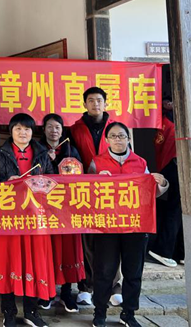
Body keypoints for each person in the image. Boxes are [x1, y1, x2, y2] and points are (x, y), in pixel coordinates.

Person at [88, 122, 169, 327]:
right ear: (107, 140)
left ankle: (129, 313)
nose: (118, 140)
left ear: (128, 138)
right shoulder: (97, 163)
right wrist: (96, 181)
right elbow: (86, 195)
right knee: (104, 271)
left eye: (121, 136)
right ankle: (100, 312)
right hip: (107, 226)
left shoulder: (140, 162)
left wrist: (161, 184)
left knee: (133, 272)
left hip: (135, 225)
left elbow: (150, 193)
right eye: (113, 136)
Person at [0, 113, 55, 327]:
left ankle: (31, 311)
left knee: (34, 264)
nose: (22, 133)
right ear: (11, 131)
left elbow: (53, 180)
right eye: (18, 129)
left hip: (36, 218)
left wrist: (40, 182)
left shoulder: (42, 154)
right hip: (8, 219)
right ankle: (8, 311)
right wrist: (7, 181)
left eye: (26, 129)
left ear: (32, 132)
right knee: (8, 263)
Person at [69, 86, 117, 306]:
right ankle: (86, 286)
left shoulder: (115, 128)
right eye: (91, 100)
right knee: (87, 240)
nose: (95, 104)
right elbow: (69, 158)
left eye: (99, 100)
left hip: (111, 191)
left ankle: (114, 286)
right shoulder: (74, 129)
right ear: (84, 104)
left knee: (112, 238)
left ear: (105, 103)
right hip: (84, 191)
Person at [40, 113, 84, 313]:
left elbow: (80, 177)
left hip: (68, 207)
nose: (54, 131)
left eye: (57, 127)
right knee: (48, 249)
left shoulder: (71, 150)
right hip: (45, 207)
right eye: (50, 127)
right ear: (43, 129)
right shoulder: (37, 149)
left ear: (62, 130)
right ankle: (47, 293)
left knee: (68, 249)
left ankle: (67, 293)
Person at [147, 98, 182, 268]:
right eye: (168, 101)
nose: (171, 104)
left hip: (178, 167)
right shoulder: (166, 122)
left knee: (179, 210)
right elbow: (160, 146)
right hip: (172, 167)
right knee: (174, 210)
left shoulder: (176, 119)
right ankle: (162, 250)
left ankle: (179, 252)